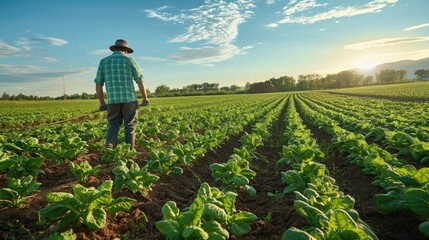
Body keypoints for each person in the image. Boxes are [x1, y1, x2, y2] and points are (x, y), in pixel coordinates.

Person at [94, 39, 149, 150]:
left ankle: (110, 146)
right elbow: (140, 80)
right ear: (125, 50)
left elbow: (99, 83)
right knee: (130, 126)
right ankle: (129, 151)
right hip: (129, 100)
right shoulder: (129, 60)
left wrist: (102, 103)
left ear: (115, 49)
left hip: (113, 101)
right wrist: (145, 98)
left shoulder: (103, 61)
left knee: (113, 124)